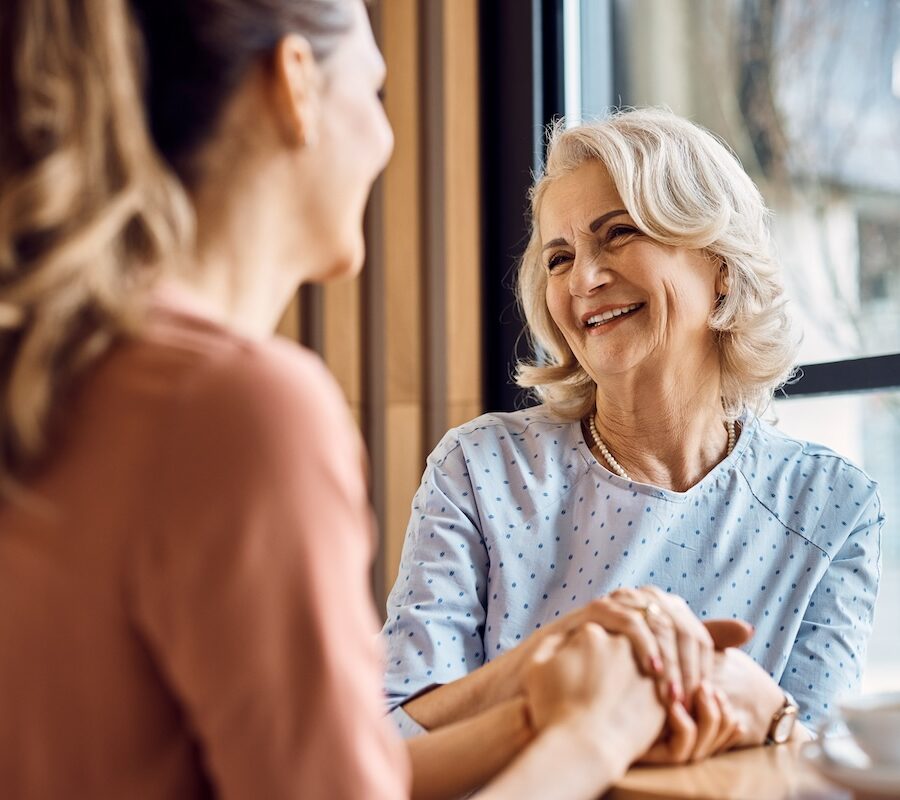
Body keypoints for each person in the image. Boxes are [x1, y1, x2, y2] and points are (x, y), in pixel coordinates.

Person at [0, 2, 680, 799]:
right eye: (378, 94)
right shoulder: (241, 411)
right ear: (297, 86)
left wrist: (537, 701)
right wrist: (593, 737)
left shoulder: (61, 374)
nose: (387, 140)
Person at [382, 108, 884, 742]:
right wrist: (553, 668)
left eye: (617, 233)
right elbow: (389, 734)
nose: (584, 279)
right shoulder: (480, 469)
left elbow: (828, 774)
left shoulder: (831, 506)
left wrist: (770, 714)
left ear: (721, 264)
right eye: (559, 258)